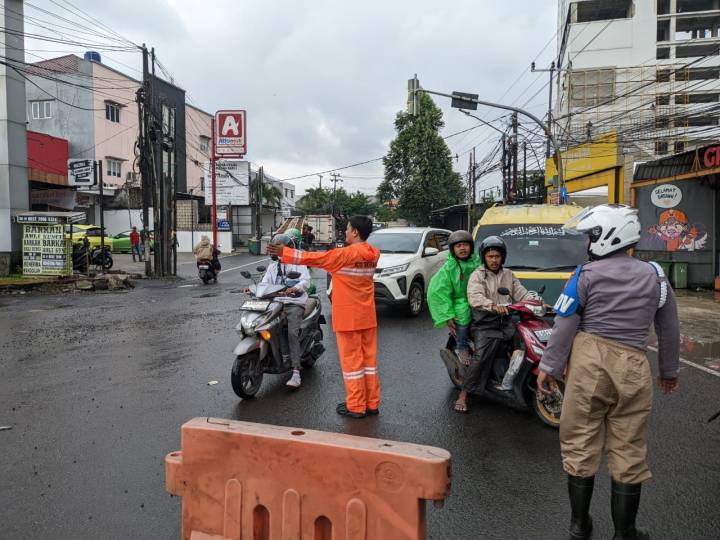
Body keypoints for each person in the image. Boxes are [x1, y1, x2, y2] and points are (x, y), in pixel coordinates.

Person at [537, 204, 680, 540]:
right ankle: (625, 532)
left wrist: (549, 367)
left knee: (580, 442)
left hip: (590, 365)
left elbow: (564, 324)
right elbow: (669, 328)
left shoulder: (584, 275)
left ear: (606, 237)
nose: (588, 243)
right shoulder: (656, 276)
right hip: (634, 367)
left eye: (591, 236)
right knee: (629, 449)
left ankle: (579, 526)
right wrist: (668, 371)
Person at [267, 215, 380, 419]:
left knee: (352, 364)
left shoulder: (345, 255)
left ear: (355, 232)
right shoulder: (373, 253)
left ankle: (356, 406)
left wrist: (285, 253)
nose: (345, 232)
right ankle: (371, 403)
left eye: (347, 229)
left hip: (348, 318)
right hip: (367, 315)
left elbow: (315, 258)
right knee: (368, 363)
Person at [459, 236, 532, 413]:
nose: (494, 260)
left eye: (497, 256)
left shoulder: (508, 274)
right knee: (481, 357)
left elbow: (521, 293)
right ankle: (464, 394)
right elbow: (475, 297)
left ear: (502, 257)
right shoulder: (478, 275)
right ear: (484, 257)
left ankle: (510, 380)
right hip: (485, 323)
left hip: (505, 322)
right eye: (490, 256)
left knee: (525, 343)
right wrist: (492, 305)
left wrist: (536, 302)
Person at [261, 229, 311, 388]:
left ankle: (296, 372)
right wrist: (254, 289)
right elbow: (265, 283)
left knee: (291, 333)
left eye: (280, 248)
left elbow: (305, 281)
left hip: (294, 302)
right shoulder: (272, 267)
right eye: (275, 248)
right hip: (276, 302)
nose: (276, 251)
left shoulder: (298, 263)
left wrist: (295, 288)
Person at [427, 230, 481, 368]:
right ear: (452, 249)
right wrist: (447, 316)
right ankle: (462, 347)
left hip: (480, 301)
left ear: (471, 247)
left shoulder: (479, 263)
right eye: (458, 246)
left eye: (465, 245)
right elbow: (438, 292)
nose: (462, 248)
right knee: (462, 317)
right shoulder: (448, 268)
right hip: (460, 302)